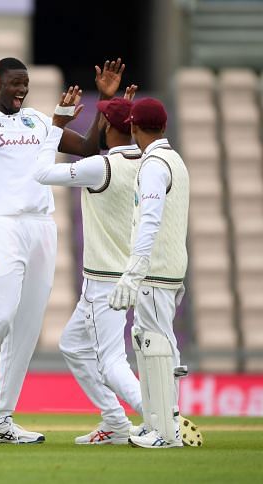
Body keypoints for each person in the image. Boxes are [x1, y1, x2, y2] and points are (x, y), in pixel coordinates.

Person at [0, 58, 125, 443]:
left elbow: (90, 147)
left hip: (42, 226)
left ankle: (1, 421)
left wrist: (103, 106)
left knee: (26, 328)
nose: (21, 90)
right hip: (2, 224)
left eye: (25, 84)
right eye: (14, 84)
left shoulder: (41, 121)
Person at [33, 89, 145, 444]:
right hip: (120, 274)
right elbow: (97, 142)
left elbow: (41, 172)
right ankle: (115, 420)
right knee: (73, 344)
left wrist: (57, 125)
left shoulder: (101, 166)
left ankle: (161, 418)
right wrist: (108, 102)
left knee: (112, 362)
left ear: (109, 125)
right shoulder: (146, 162)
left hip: (106, 280)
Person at [108, 98, 190, 449]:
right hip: (167, 266)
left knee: (156, 343)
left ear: (133, 127)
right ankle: (158, 421)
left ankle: (166, 430)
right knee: (150, 339)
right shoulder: (174, 159)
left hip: (155, 269)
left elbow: (150, 220)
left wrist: (134, 270)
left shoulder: (154, 165)